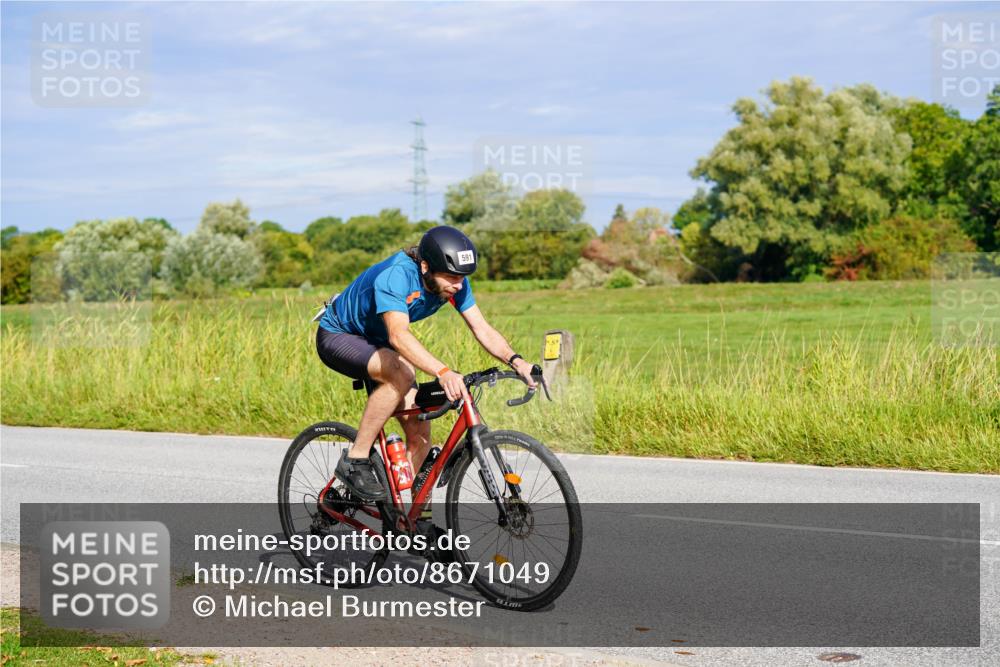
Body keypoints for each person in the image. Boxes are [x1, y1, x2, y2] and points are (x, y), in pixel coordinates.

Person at [316, 225, 537, 501]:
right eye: (451, 277)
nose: (458, 284)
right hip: (340, 336)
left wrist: (517, 361)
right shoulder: (396, 276)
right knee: (401, 373)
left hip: (379, 341)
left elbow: (482, 328)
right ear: (424, 266)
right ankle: (356, 459)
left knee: (420, 428)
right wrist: (442, 371)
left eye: (463, 277)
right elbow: (398, 335)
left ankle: (407, 519)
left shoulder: (455, 284)